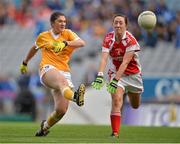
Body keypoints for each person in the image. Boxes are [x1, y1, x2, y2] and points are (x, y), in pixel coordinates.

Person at [19, 11, 86, 136]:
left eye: (64, 21)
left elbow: (82, 43)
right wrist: (25, 62)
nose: (63, 23)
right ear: (52, 23)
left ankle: (44, 127)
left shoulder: (68, 34)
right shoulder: (43, 36)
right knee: (62, 82)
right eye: (60, 21)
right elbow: (34, 48)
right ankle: (76, 97)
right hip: (47, 69)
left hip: (64, 71)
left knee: (61, 110)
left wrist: (65, 43)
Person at [91, 14, 144, 138]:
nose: (118, 25)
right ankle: (115, 133)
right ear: (113, 24)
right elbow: (104, 59)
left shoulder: (131, 40)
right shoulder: (108, 38)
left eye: (120, 23)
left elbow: (125, 62)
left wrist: (115, 80)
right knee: (116, 101)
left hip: (133, 75)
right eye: (116, 22)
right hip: (115, 72)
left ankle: (128, 92)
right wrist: (100, 75)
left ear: (126, 25)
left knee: (135, 106)